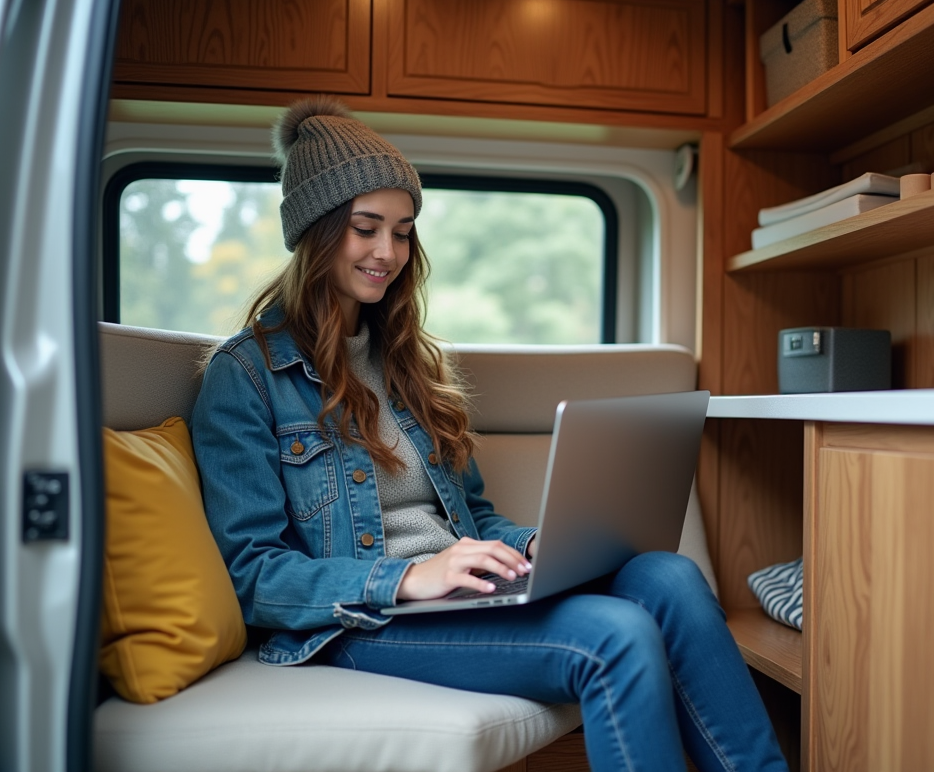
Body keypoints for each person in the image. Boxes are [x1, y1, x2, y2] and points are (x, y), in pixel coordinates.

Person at [190, 97, 787, 772]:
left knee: (669, 574)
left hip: (451, 594)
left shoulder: (411, 364)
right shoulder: (244, 376)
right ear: (315, 232)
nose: (388, 252)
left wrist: (535, 545)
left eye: (404, 230)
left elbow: (469, 517)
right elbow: (256, 575)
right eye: (365, 228)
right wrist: (410, 576)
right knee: (615, 634)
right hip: (355, 622)